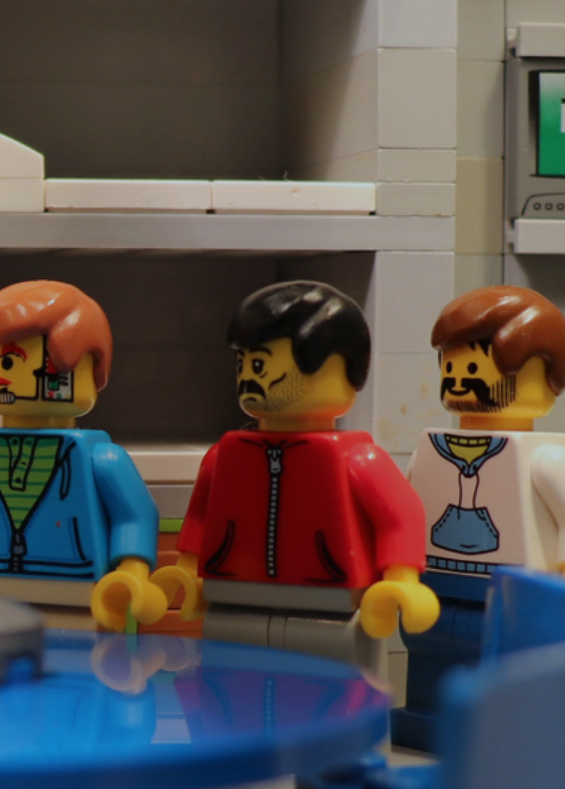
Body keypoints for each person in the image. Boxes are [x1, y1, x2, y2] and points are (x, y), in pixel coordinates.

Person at [153, 280, 437, 668]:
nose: (248, 378)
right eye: (243, 364)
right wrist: (187, 571)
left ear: (335, 365)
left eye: (260, 364)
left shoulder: (358, 459)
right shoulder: (224, 456)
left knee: (335, 691)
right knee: (231, 685)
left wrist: (401, 578)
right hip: (234, 603)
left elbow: (401, 515)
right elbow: (202, 517)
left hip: (331, 608)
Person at [393, 285, 565, 750]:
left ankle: (501, 723)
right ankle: (428, 712)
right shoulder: (432, 449)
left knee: (502, 660)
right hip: (436, 587)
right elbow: (407, 509)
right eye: (451, 368)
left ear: (542, 375)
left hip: (513, 596)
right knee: (427, 648)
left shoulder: (545, 458)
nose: (459, 380)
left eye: (474, 368)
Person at [0, 281, 165, 631]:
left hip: (74, 597)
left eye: (9, 362)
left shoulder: (101, 459)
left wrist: (132, 571)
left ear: (76, 366)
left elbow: (134, 516)